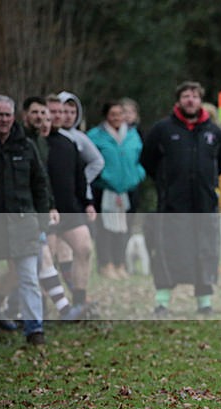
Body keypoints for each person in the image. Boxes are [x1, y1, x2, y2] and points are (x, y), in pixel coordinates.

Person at [0, 95, 57, 346]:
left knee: (29, 278)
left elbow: (40, 184)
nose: (4, 120)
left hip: (23, 224)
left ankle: (34, 330)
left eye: (8, 115)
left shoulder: (26, 146)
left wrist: (42, 220)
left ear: (14, 117)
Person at [140, 81, 221, 316]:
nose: (190, 100)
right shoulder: (162, 130)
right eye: (186, 96)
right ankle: (162, 303)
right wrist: (166, 184)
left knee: (205, 251)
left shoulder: (214, 132)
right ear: (178, 101)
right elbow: (147, 160)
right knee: (168, 251)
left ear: (201, 100)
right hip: (172, 205)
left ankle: (205, 304)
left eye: (194, 96)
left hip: (204, 204)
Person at [44, 93, 96, 311]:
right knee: (48, 259)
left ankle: (80, 301)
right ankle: (38, 307)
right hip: (44, 211)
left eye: (61, 112)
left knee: (84, 248)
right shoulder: (32, 144)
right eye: (52, 112)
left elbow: (79, 176)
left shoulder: (68, 143)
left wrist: (87, 202)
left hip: (70, 208)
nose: (58, 116)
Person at [87, 100, 145, 280]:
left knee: (124, 228)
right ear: (106, 116)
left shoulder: (133, 135)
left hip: (128, 189)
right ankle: (106, 263)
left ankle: (120, 263)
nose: (117, 118)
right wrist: (105, 177)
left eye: (120, 114)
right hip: (104, 190)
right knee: (105, 229)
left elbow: (141, 158)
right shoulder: (95, 136)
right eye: (113, 114)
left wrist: (137, 175)